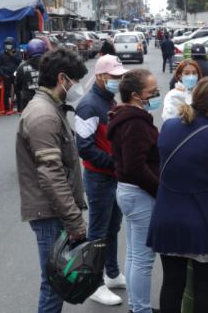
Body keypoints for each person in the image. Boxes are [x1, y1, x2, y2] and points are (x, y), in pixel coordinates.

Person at [147, 77, 208, 313]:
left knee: (172, 284)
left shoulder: (169, 127)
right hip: (204, 222)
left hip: (168, 219)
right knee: (205, 288)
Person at [16, 48, 88, 313]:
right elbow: (51, 174)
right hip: (50, 213)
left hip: (53, 211)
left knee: (57, 283)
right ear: (62, 79)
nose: (78, 87)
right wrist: (73, 219)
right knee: (53, 284)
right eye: (76, 81)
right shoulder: (44, 115)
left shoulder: (51, 108)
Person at [74, 54, 128, 306]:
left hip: (113, 177)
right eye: (114, 76)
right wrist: (114, 163)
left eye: (120, 76)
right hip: (99, 178)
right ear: (100, 76)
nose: (118, 80)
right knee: (97, 232)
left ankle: (112, 272)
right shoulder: (89, 105)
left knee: (113, 227)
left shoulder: (108, 100)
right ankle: (93, 283)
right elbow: (84, 148)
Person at [108, 69, 160, 313]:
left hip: (129, 192)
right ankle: (141, 309)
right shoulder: (135, 123)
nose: (156, 94)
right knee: (143, 259)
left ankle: (137, 306)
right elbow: (135, 166)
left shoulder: (126, 116)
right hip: (139, 195)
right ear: (136, 95)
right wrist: (160, 191)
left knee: (133, 254)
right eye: (152, 92)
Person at [15, 38, 47, 111]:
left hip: (28, 101)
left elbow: (17, 84)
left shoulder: (22, 67)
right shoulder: (48, 65)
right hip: (45, 100)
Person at [0, 36, 22, 112]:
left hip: (15, 75)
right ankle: (7, 109)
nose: (8, 46)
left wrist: (12, 55)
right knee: (6, 93)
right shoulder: (2, 54)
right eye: (7, 44)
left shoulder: (17, 52)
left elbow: (19, 61)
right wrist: (2, 74)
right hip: (6, 75)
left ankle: (20, 108)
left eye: (10, 44)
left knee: (18, 92)